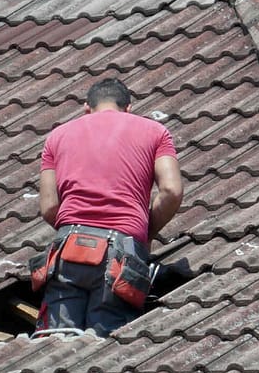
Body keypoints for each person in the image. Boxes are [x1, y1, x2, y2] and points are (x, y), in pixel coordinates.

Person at [31, 78, 183, 336]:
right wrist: (143, 233)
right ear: (129, 108)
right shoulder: (155, 132)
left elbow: (48, 206)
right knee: (107, 347)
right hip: (120, 252)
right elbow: (171, 191)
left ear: (86, 108)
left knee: (55, 344)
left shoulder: (57, 137)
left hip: (68, 248)